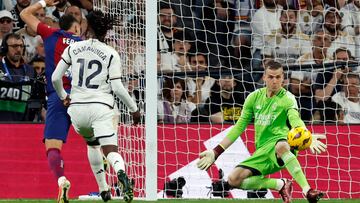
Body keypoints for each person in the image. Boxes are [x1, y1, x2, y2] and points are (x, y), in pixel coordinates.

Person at [197, 60, 327, 203]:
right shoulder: (253, 98)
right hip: (262, 150)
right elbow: (239, 126)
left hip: (281, 145)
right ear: (264, 77)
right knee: (234, 180)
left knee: (281, 146)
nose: (274, 81)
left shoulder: (288, 99)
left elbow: (295, 119)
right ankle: (280, 184)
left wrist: (306, 134)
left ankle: (307, 191)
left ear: (283, 78)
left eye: (278, 77)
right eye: (271, 77)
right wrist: (215, 152)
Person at [20, 1, 109, 202]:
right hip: (84, 99)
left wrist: (44, 2)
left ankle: (61, 181)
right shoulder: (87, 45)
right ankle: (105, 187)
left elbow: (25, 14)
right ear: (77, 28)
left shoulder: (51, 34)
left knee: (52, 146)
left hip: (59, 97)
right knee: (95, 145)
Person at [51, 10, 141, 203]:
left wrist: (63, 96)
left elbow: (55, 78)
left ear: (87, 27)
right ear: (105, 31)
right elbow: (117, 87)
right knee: (110, 149)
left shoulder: (73, 49)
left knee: (92, 143)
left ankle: (103, 189)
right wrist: (134, 109)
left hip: (77, 108)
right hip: (100, 107)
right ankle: (122, 174)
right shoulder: (111, 53)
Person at [0, 33, 35, 121]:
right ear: (5, 48)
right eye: (14, 46)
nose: (19, 49)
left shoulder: (30, 70)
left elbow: (36, 98)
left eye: (21, 46)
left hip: (23, 125)